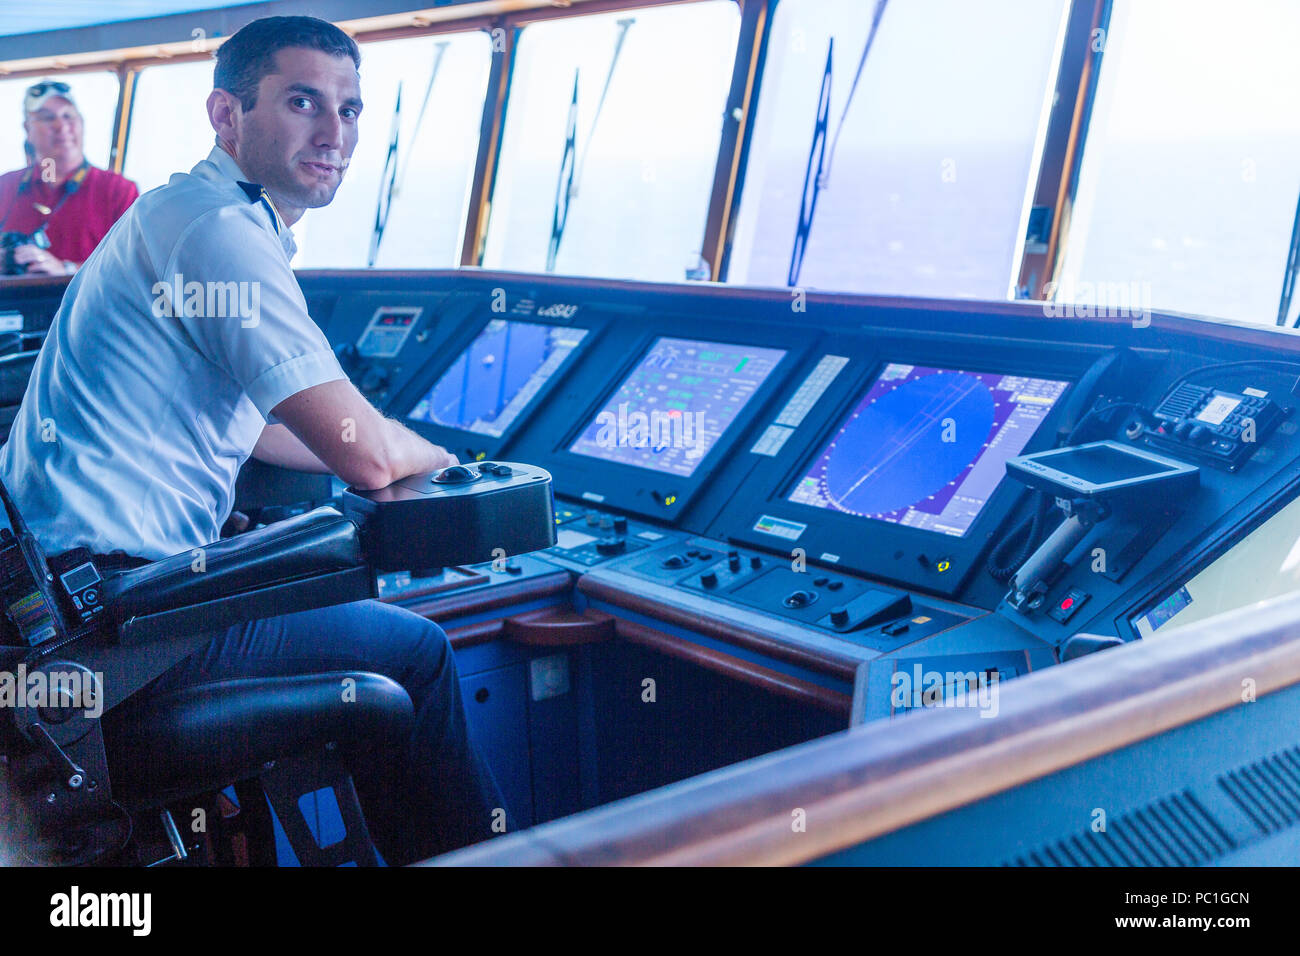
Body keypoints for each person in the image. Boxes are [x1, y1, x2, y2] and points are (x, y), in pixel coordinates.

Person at [0, 16, 503, 863]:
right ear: (226, 116)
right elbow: (365, 454)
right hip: (122, 628)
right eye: (302, 100)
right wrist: (438, 460)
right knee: (417, 648)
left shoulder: (185, 213)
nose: (333, 131)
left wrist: (375, 446)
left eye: (349, 109)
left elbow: (267, 429)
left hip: (62, 609)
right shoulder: (218, 231)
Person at [0, 80, 138, 276]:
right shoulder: (4, 187)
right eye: (48, 118)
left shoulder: (119, 191)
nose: (61, 125)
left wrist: (66, 270)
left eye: (68, 116)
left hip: (90, 306)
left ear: (81, 123)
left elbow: (134, 267)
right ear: (27, 129)